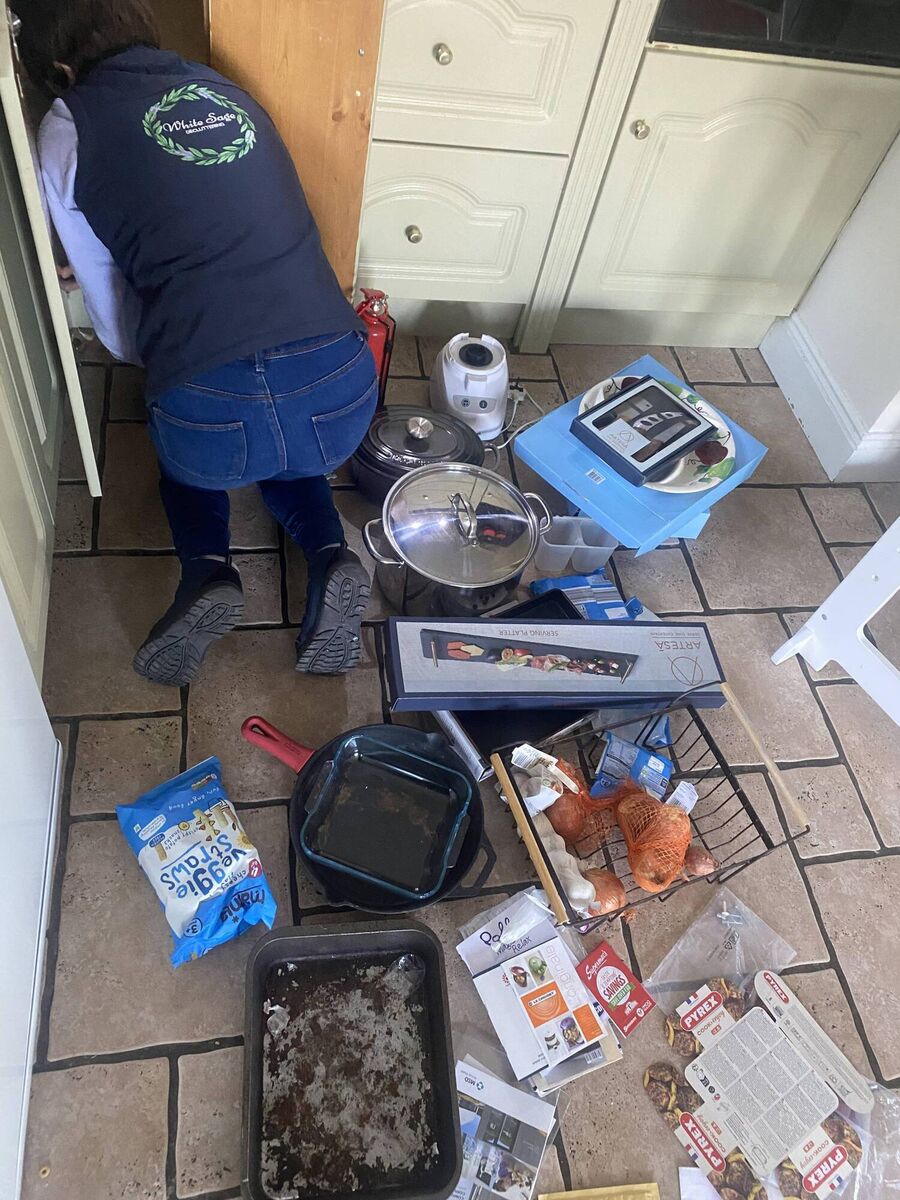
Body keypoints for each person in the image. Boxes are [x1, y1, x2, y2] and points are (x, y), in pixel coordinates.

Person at [16, 0, 378, 684]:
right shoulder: (226, 90)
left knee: (198, 455)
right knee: (287, 441)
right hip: (341, 384)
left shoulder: (70, 125)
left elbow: (116, 321)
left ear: (60, 67)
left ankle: (207, 573)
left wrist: (167, 353)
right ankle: (331, 554)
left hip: (211, 410)